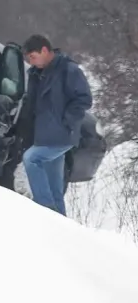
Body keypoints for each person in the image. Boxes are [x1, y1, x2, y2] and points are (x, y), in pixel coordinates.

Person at [21, 34, 92, 216]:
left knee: (31, 159)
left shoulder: (68, 70)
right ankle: (60, 221)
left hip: (63, 134)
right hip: (43, 135)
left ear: (44, 50)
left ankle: (44, 208)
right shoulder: (36, 74)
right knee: (55, 188)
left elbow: (84, 99)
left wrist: (66, 121)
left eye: (33, 57)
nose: (31, 62)